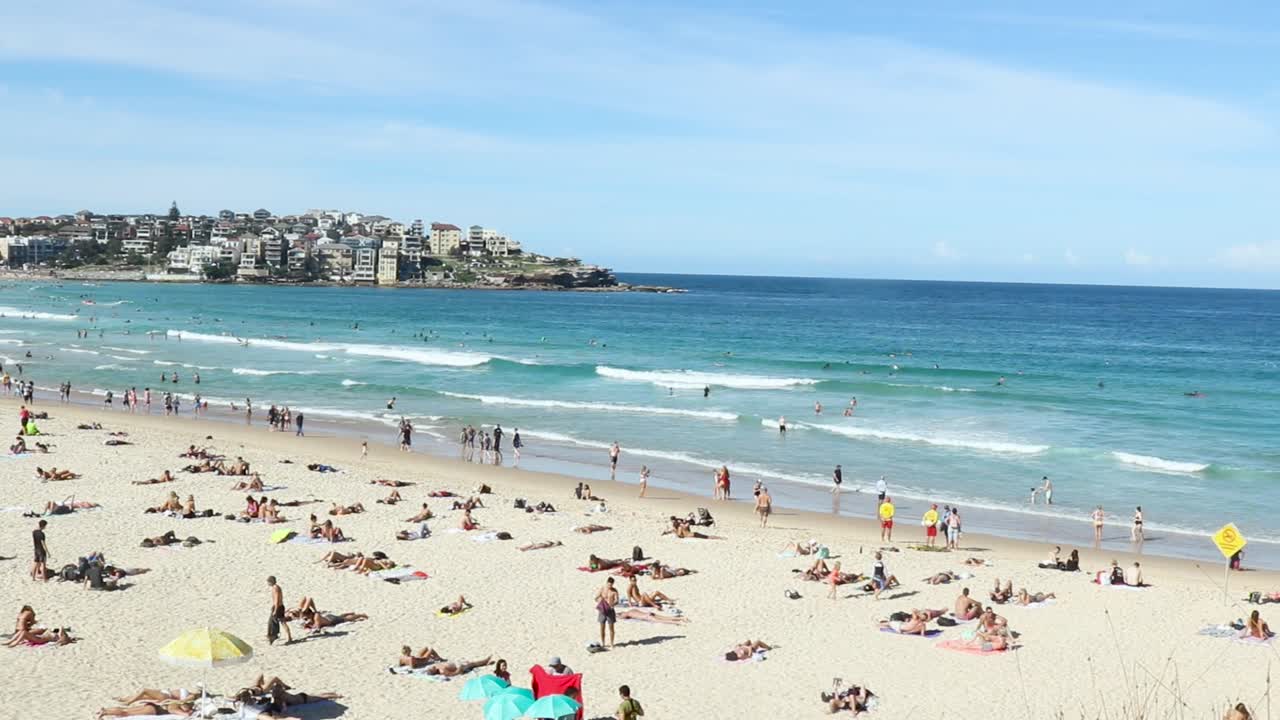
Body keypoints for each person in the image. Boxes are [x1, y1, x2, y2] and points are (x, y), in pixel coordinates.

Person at [267, 576, 292, 645]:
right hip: (277, 607)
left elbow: (277, 599)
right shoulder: (275, 587)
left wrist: (275, 610)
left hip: (278, 607)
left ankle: (287, 637)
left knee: (282, 622)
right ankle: (274, 636)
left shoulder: (275, 588)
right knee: (274, 622)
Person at [595, 577, 619, 648]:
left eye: (611, 585)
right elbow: (596, 597)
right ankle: (603, 643)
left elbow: (617, 600)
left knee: (611, 628)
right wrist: (600, 601)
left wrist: (613, 604)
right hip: (602, 610)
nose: (609, 586)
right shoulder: (602, 588)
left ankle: (612, 643)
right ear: (607, 583)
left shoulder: (614, 591)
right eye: (608, 584)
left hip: (610, 610)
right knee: (602, 627)